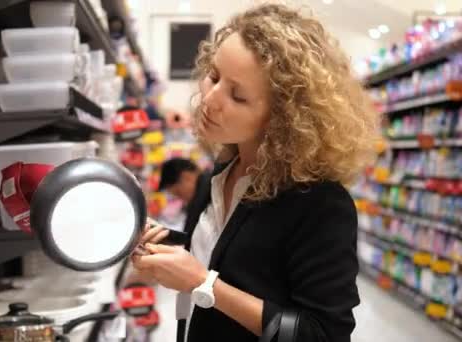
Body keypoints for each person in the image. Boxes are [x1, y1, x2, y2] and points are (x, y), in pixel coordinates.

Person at [132, 3, 379, 342]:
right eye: (214, 76)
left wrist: (203, 284)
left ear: (283, 119)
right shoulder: (218, 174)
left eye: (238, 96)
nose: (210, 100)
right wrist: (165, 247)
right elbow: (227, 257)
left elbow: (323, 334)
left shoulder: (320, 205)